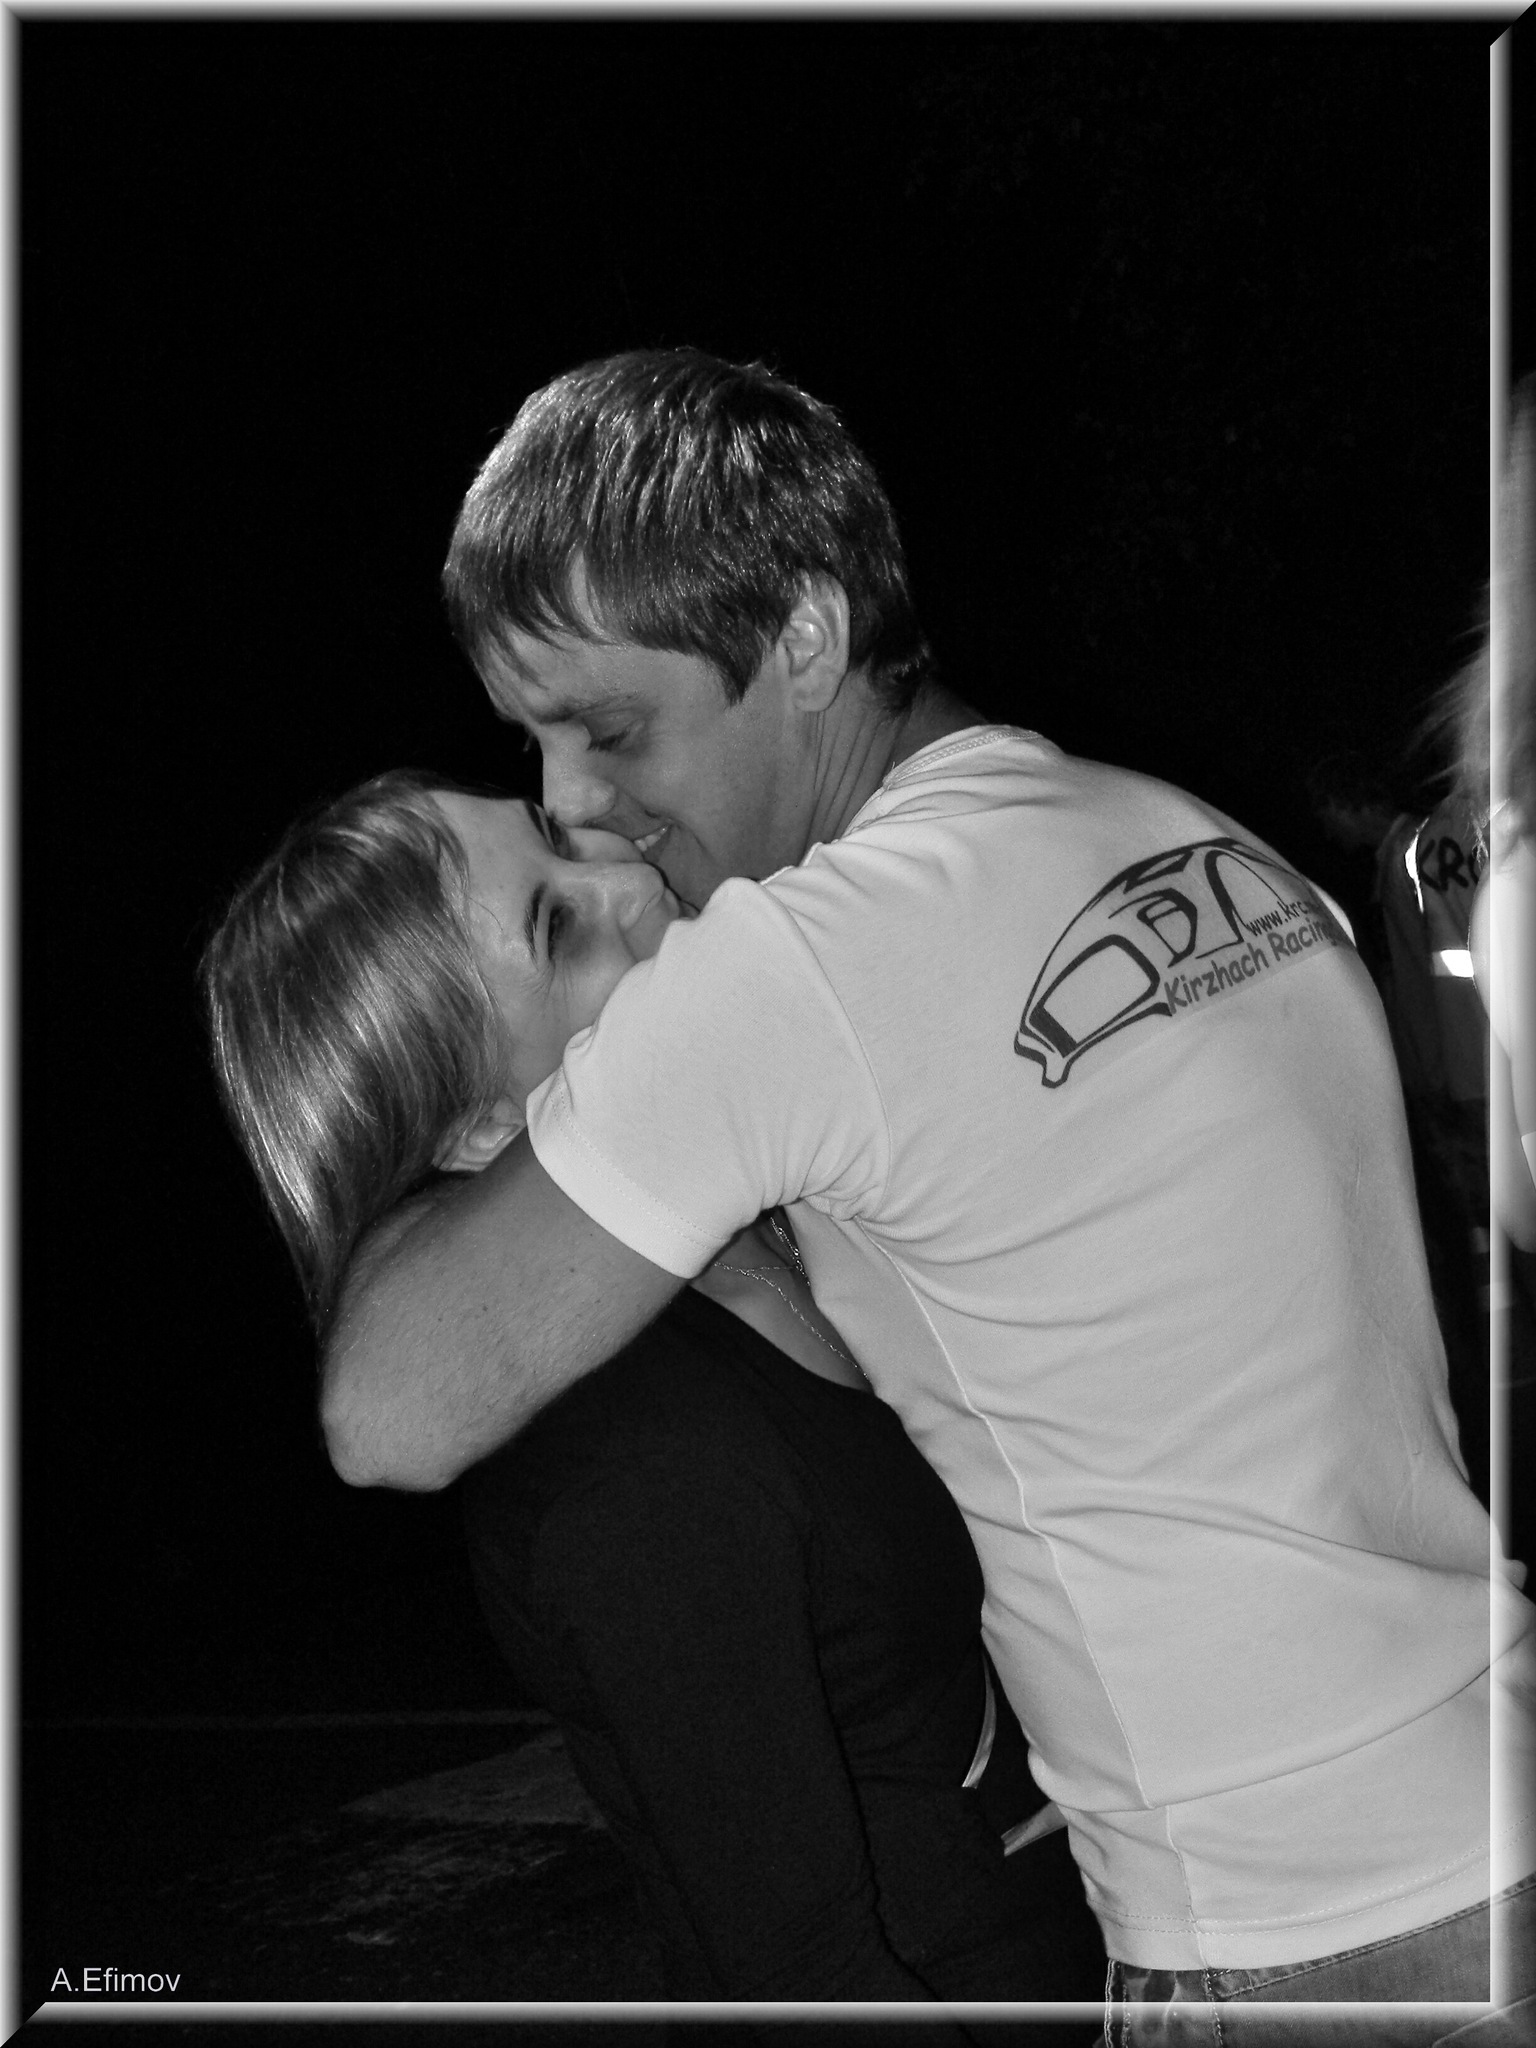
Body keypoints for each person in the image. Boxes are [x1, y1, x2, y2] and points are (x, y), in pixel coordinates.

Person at [318, 350, 1536, 2036]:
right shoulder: (1201, 842)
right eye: (532, 740)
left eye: (610, 727)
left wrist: (410, 1140)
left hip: (1305, 1933)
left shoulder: (799, 965)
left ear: (806, 636)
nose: (574, 801)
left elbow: (389, 1411)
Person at [199, 770, 1109, 2026]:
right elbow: (799, 1977)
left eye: (558, 841)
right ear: (475, 1129)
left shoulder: (758, 1205)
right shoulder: (632, 1454)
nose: (628, 877)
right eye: (555, 927)